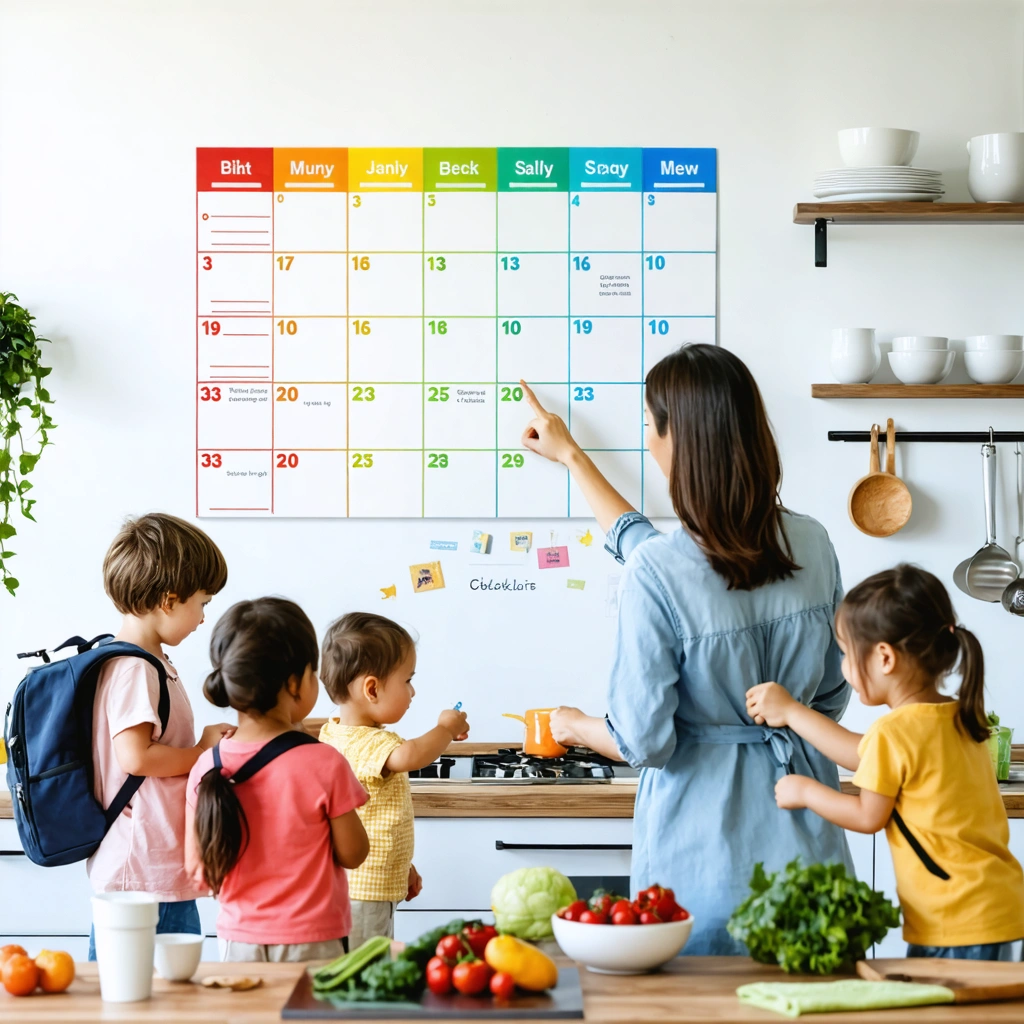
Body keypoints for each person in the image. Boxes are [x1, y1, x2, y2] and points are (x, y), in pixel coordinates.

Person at [525, 344, 853, 954]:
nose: (648, 441)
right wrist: (572, 456)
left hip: (703, 850)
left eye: (650, 427)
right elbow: (832, 693)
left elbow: (641, 740)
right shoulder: (814, 542)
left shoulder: (659, 570)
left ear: (681, 440)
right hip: (809, 828)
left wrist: (574, 724)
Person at [747, 564, 1024, 960]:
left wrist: (805, 791)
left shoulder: (895, 733)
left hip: (956, 922)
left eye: (845, 654)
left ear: (884, 657)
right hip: (1004, 905)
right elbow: (862, 752)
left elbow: (867, 816)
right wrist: (791, 711)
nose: (843, 668)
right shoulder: (956, 718)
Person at [185, 598, 369, 962]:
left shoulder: (207, 765)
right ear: (295, 683)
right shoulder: (323, 762)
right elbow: (354, 854)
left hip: (239, 942)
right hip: (314, 941)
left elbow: (200, 873)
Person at [87, 513, 233, 961]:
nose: (204, 617)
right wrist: (201, 751)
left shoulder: (150, 663)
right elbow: (136, 757)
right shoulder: (134, 668)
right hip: (142, 870)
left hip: (152, 863)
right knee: (145, 994)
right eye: (202, 603)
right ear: (169, 601)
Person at [318, 612, 470, 949]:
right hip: (364, 890)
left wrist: (403, 866)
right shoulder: (372, 743)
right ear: (372, 689)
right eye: (407, 680)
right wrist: (446, 728)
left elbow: (372, 819)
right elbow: (411, 755)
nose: (412, 691)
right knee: (366, 967)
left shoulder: (333, 732)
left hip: (357, 882)